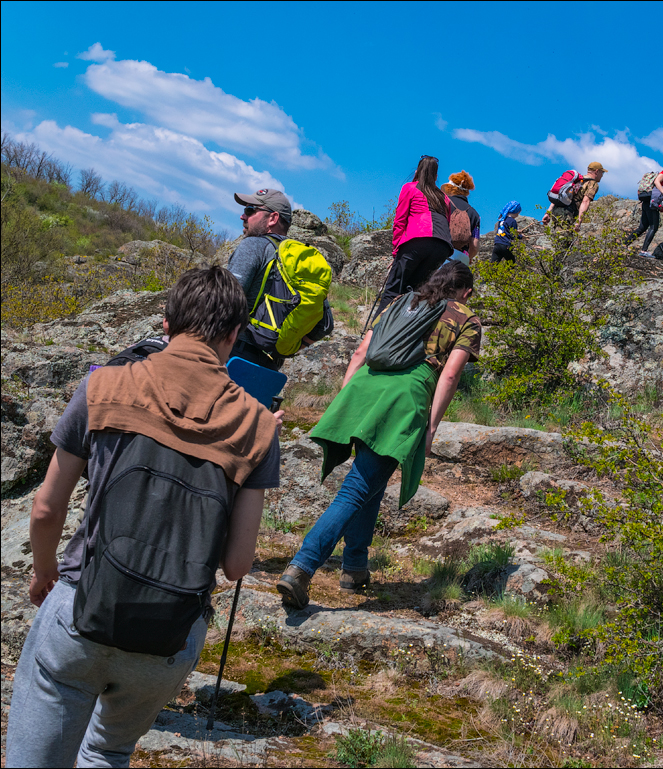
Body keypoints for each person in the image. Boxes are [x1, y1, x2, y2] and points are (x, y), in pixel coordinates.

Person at [7, 267, 281, 769]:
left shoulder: (104, 385)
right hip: (169, 638)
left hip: (80, 609)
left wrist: (44, 573)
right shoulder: (258, 426)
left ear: (166, 322)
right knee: (107, 752)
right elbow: (238, 565)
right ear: (233, 335)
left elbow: (47, 507)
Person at [276, 262, 481, 607]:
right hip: (402, 399)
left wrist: (344, 399)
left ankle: (354, 565)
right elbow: (448, 377)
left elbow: (361, 352)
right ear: (466, 291)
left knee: (371, 481)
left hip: (362, 389)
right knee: (358, 487)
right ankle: (302, 566)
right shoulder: (467, 318)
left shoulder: (399, 302)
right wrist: (430, 427)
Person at [227, 188, 333, 370]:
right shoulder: (297, 261)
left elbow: (223, 303)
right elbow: (325, 325)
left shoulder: (253, 246)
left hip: (234, 355)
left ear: (273, 218)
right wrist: (283, 348)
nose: (243, 217)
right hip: (271, 367)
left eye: (250, 210)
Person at [378, 155, 453, 313]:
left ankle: (376, 332)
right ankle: (406, 329)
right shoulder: (444, 198)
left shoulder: (410, 188)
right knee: (416, 290)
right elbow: (447, 223)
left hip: (417, 239)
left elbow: (400, 221)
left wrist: (396, 252)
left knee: (393, 289)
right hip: (442, 246)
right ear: (436, 176)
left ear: (417, 171)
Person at [628, 160, 663, 257]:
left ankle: (624, 244)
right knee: (654, 226)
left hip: (647, 201)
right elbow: (657, 181)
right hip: (652, 203)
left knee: (643, 227)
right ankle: (644, 251)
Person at [541, 161, 606, 231]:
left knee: (551, 236)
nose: (602, 175)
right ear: (597, 171)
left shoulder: (577, 179)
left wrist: (548, 213)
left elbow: (560, 194)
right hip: (567, 215)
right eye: (602, 172)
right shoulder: (593, 184)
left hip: (555, 211)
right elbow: (585, 202)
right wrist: (579, 221)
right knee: (563, 239)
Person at [441, 171, 481, 266]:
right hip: (460, 260)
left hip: (439, 252)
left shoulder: (442, 203)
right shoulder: (475, 214)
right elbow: (474, 246)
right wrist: (468, 258)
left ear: (450, 188)